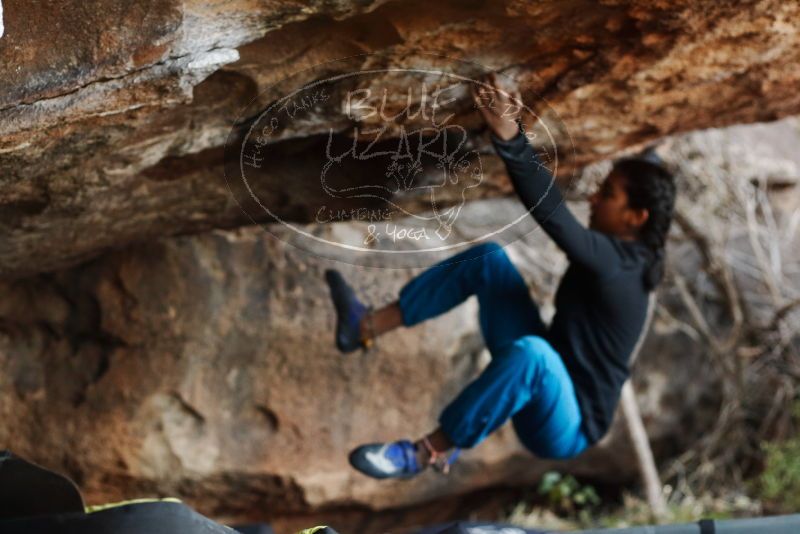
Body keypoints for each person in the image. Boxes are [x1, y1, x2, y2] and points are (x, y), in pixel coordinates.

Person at [324, 73, 677, 479]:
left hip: (567, 425)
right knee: (489, 260)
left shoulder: (622, 266)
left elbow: (556, 220)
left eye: (609, 195)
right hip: (543, 362)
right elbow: (649, 176)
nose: (595, 198)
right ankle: (363, 327)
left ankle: (426, 453)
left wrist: (512, 139)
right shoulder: (630, 249)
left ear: (636, 218)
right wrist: (654, 149)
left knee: (534, 356)